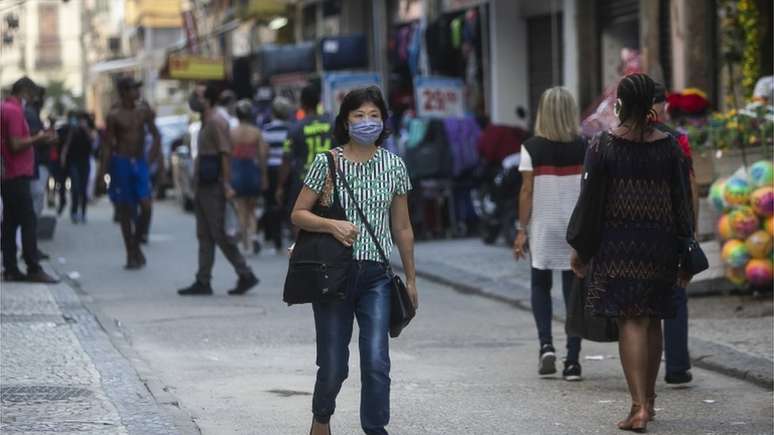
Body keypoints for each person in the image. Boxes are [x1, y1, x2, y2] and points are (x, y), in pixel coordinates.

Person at [567, 73, 693, 432]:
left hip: (618, 246)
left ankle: (637, 406)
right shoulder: (670, 146)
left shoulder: (602, 146)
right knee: (652, 320)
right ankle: (649, 403)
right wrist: (685, 246)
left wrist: (581, 249)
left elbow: (589, 203)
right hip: (660, 245)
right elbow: (681, 201)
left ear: (620, 104)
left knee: (631, 321)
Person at [292, 87, 417, 435]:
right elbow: (298, 214)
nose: (367, 122)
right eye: (359, 116)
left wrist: (410, 279)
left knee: (377, 361)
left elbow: (403, 227)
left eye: (374, 115)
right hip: (333, 275)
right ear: (345, 122)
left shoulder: (394, 165)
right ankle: (321, 415)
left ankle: (375, 428)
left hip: (376, 275)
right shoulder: (326, 162)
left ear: (384, 121)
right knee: (334, 364)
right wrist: (331, 224)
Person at [513, 87, 586, 381]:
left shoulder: (531, 148)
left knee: (540, 284)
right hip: (574, 228)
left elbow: (527, 191)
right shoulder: (585, 146)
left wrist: (521, 229)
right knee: (573, 293)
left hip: (543, 226)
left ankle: (546, 346)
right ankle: (572, 361)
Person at [177, 83, 258, 296]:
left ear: (209, 99)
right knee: (204, 234)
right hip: (204, 186)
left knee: (220, 233)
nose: (195, 99)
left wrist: (227, 184)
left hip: (214, 186)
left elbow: (224, 153)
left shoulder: (215, 122)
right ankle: (203, 280)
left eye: (199, 95)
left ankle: (245, 273)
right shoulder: (206, 121)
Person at [651, 81, 699, 385]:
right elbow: (691, 187)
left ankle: (644, 373)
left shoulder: (620, 138)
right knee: (676, 294)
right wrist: (691, 229)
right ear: (657, 106)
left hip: (639, 229)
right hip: (673, 228)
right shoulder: (678, 139)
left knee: (643, 303)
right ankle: (677, 367)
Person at [0, 76, 59, 283]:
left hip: (9, 175)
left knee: (9, 223)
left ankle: (10, 268)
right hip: (17, 174)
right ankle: (33, 267)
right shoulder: (15, 111)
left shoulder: (4, 107)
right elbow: (16, 144)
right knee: (27, 221)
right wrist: (39, 138)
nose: (32, 100)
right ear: (24, 92)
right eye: (31, 95)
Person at [100, 77, 161, 269]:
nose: (137, 92)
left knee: (146, 206)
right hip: (122, 162)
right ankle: (130, 253)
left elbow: (156, 134)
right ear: (124, 92)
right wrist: (102, 174)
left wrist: (151, 158)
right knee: (126, 210)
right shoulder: (114, 116)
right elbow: (108, 146)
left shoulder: (144, 112)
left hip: (140, 162)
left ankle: (135, 245)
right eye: (134, 88)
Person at [278, 85, 333, 232]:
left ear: (302, 103)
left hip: (304, 180)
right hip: (331, 180)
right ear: (319, 101)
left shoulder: (295, 128)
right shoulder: (332, 125)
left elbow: (286, 160)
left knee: (298, 216)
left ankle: (301, 250)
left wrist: (280, 186)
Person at [230, 99, 269, 254]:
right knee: (252, 209)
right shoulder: (256, 132)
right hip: (252, 171)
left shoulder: (232, 132)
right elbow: (262, 155)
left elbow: (226, 156)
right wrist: (264, 176)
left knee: (241, 209)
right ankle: (253, 237)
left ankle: (244, 243)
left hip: (237, 171)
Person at [260, 96, 293, 252]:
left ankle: (276, 237)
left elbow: (264, 154)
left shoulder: (266, 130)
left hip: (272, 170)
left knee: (272, 204)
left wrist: (263, 175)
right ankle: (292, 236)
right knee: (289, 202)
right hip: (289, 170)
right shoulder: (292, 128)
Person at [61, 111, 94, 223]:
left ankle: (83, 213)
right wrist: (63, 158)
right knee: (75, 188)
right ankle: (74, 212)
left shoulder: (88, 130)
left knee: (83, 189)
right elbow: (67, 145)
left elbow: (93, 141)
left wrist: (85, 129)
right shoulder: (72, 131)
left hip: (85, 162)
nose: (80, 122)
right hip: (74, 162)